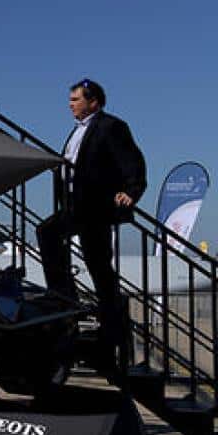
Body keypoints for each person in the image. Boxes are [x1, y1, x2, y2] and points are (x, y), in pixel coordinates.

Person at [38, 79, 146, 374]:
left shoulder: (111, 127)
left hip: (96, 207)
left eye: (76, 99)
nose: (70, 104)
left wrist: (132, 190)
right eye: (70, 99)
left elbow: (132, 161)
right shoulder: (77, 130)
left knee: (98, 264)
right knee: (49, 233)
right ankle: (65, 294)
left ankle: (112, 326)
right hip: (76, 205)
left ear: (93, 102)